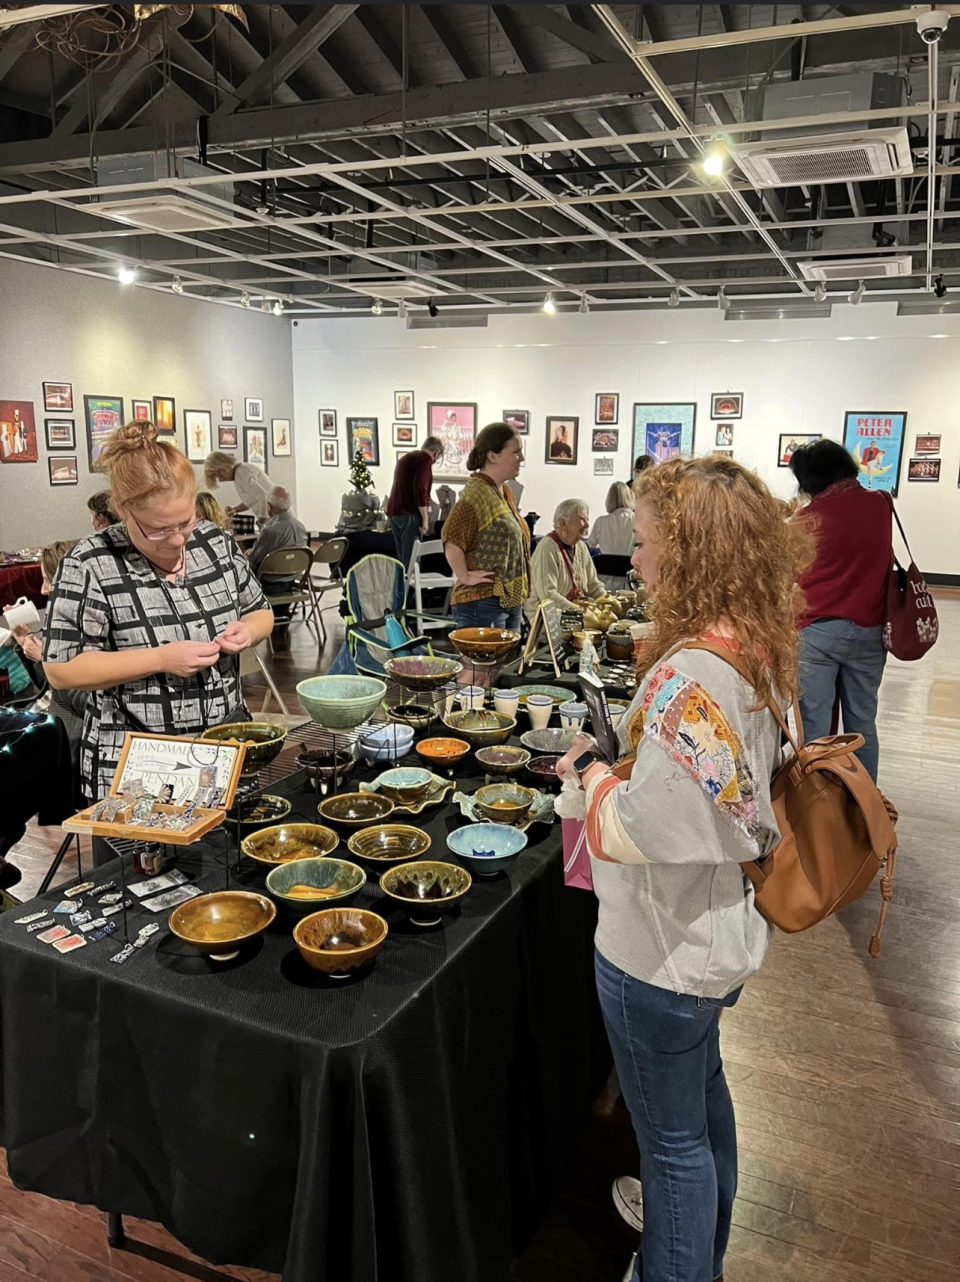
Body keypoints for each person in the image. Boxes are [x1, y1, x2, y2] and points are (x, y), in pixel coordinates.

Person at [556, 455, 813, 1282]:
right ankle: (700, 1255)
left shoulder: (692, 675)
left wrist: (593, 775)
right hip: (708, 938)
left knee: (672, 1148)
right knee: (702, 1116)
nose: (638, 556)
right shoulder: (756, 647)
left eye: (653, 540)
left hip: (659, 951)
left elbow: (642, 830)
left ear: (694, 552)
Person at [43, 422, 274, 804]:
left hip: (225, 745)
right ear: (122, 510)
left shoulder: (215, 544)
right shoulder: (90, 564)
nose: (178, 538)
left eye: (186, 522)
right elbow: (62, 669)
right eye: (158, 529)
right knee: (148, 865)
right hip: (138, 762)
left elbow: (259, 612)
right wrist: (160, 659)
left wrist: (247, 632)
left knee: (229, 859)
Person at [789, 439, 891, 781]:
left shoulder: (805, 520)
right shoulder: (881, 505)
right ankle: (865, 808)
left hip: (816, 631)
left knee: (816, 727)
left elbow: (789, 573)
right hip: (870, 630)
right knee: (863, 723)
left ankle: (822, 807)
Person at [441, 422, 529, 633]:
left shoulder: (501, 491)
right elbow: (451, 537)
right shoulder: (477, 494)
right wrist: (465, 576)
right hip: (483, 601)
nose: (521, 459)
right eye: (516, 452)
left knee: (502, 665)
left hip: (506, 599)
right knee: (483, 666)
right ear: (492, 456)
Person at [9, 540, 87, 765]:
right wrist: (25, 644)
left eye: (46, 580)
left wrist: (45, 659)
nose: (43, 590)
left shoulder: (91, 631)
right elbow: (48, 685)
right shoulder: (64, 623)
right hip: (42, 720)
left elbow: (89, 702)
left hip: (62, 738)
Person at [525, 498, 605, 621]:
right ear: (563, 523)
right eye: (582, 520)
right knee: (590, 624)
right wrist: (581, 613)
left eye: (587, 519)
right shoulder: (547, 548)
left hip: (576, 610)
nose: (587, 525)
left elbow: (593, 585)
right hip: (547, 614)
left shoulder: (581, 546)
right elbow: (548, 596)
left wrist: (607, 601)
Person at [386, 435, 444, 572]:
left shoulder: (406, 458)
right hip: (409, 513)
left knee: (402, 558)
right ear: (436, 453)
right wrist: (425, 519)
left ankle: (402, 591)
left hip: (394, 512)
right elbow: (420, 488)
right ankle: (411, 593)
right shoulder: (425, 459)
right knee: (412, 559)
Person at [249, 487, 309, 594]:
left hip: (268, 583)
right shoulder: (301, 527)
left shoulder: (270, 531)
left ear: (269, 507)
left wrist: (249, 555)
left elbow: (253, 561)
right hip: (292, 579)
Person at [203, 451, 274, 522]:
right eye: (215, 475)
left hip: (274, 516)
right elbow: (251, 500)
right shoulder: (240, 472)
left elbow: (263, 496)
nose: (219, 477)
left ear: (224, 465)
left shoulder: (241, 474)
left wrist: (262, 520)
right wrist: (235, 509)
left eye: (218, 471)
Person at [588, 482, 636, 556]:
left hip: (607, 566)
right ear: (630, 497)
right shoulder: (638, 519)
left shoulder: (601, 521)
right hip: (632, 565)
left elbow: (591, 544)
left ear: (610, 499)